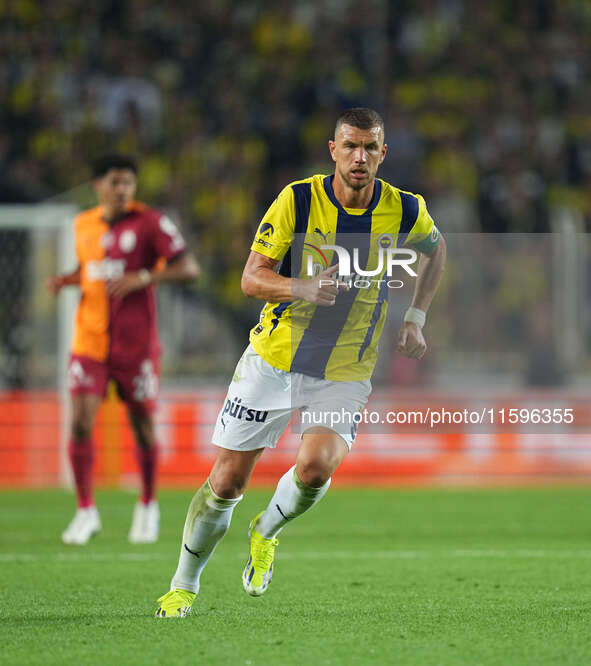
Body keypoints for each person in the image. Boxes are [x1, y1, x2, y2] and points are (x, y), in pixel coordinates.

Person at [155, 108, 446, 617]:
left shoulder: (404, 209)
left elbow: (435, 249)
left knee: (316, 468)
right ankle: (184, 585)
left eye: (370, 148)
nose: (360, 157)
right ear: (333, 150)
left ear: (383, 153)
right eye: (350, 146)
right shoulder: (298, 199)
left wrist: (416, 316)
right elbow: (251, 278)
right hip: (274, 360)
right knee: (226, 482)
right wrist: (301, 287)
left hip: (345, 367)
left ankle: (265, 531)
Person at [47, 154, 199, 545]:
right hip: (90, 344)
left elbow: (188, 268)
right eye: (115, 182)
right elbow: (91, 270)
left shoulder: (150, 222)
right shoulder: (83, 225)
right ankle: (85, 512)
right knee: (80, 421)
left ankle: (147, 505)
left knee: (143, 428)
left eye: (128, 183)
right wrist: (67, 280)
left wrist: (145, 276)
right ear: (98, 185)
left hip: (137, 349)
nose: (122, 189)